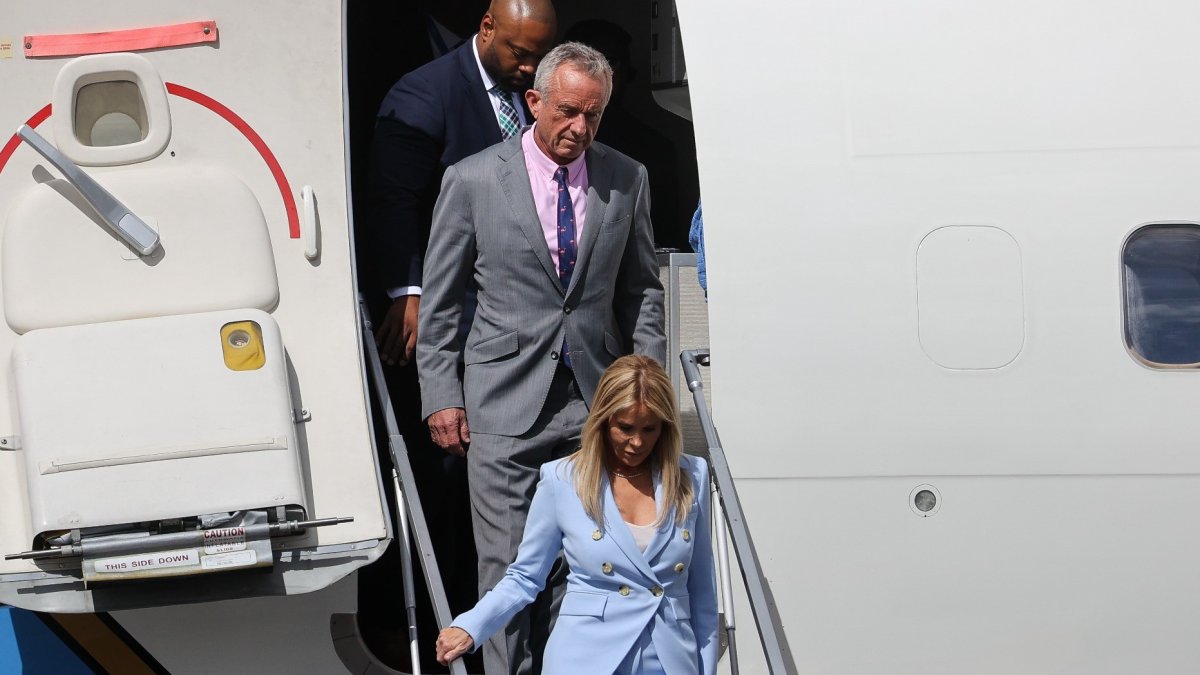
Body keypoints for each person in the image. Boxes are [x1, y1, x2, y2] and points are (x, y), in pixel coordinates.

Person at [418, 42, 667, 674]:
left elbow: (641, 290)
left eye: (593, 116)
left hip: (592, 409)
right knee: (506, 570)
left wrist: (647, 390)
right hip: (502, 407)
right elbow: (441, 302)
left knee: (585, 565)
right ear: (534, 102)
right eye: (567, 112)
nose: (579, 129)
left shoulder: (626, 178)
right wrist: (441, 393)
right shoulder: (473, 178)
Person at [434, 355, 718, 674]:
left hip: (669, 659)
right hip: (586, 657)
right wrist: (472, 626)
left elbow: (703, 593)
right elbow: (525, 576)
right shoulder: (563, 479)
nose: (637, 442)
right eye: (625, 428)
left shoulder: (691, 475)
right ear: (604, 419)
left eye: (649, 429)